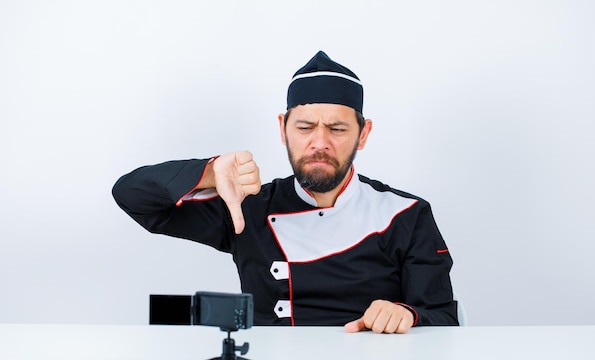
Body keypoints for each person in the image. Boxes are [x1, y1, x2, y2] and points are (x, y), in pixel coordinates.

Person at [112, 51, 458, 334]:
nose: (319, 143)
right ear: (283, 129)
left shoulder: (406, 213)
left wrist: (406, 313)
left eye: (337, 128)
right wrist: (206, 172)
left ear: (363, 134)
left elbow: (444, 318)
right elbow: (133, 198)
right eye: (305, 127)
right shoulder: (247, 208)